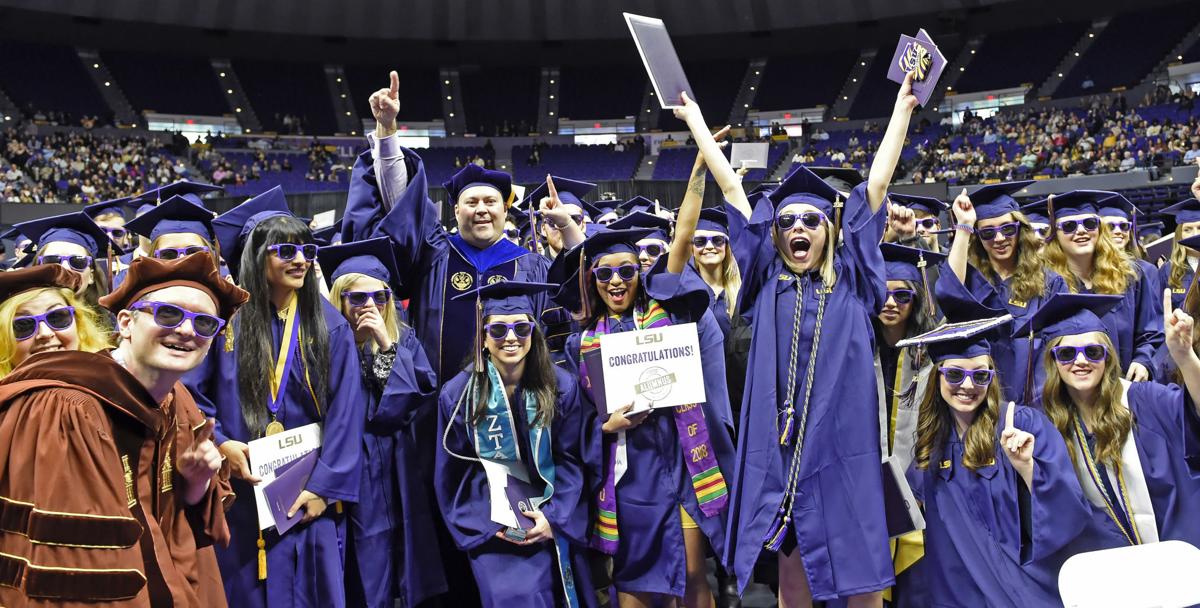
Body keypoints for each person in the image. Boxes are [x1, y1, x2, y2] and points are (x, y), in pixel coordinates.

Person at [685, 73, 920, 607]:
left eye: (811, 220)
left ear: (830, 230)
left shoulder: (855, 282)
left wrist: (902, 111)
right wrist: (698, 123)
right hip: (784, 456)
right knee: (794, 583)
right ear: (775, 234)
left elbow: (876, 187)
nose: (798, 228)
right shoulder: (766, 277)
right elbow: (731, 190)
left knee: (861, 576)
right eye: (787, 220)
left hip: (842, 452)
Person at [0, 253, 246, 607]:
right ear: (127, 323)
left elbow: (179, 524)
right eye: (168, 313)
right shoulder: (68, 409)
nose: (187, 330)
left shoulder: (178, 398)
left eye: (205, 323)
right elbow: (80, 561)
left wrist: (197, 481)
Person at [186, 186, 365, 607]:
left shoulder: (329, 326)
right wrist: (221, 442)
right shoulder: (225, 323)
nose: (301, 259)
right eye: (286, 250)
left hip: (305, 490)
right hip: (242, 489)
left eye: (307, 250)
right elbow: (191, 392)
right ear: (255, 254)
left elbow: (346, 414)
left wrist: (325, 487)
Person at [553, 226, 734, 608]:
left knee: (692, 572)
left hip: (684, 467)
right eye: (604, 273)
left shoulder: (672, 321)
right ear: (592, 280)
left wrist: (701, 168)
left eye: (627, 271)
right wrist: (605, 426)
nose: (616, 281)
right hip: (627, 478)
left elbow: (683, 244)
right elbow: (574, 421)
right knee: (635, 580)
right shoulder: (579, 343)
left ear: (641, 276)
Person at [344, 70, 555, 386]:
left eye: (490, 202)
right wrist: (387, 131)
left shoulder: (533, 267)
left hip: (512, 413)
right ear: (456, 211)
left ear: (505, 209)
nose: (481, 209)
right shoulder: (435, 253)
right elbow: (404, 205)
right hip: (435, 409)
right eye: (471, 203)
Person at [905, 312, 1095, 606]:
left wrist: (1027, 467)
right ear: (937, 377)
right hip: (956, 592)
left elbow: (1069, 510)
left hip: (1019, 586)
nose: (968, 386)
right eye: (955, 374)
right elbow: (911, 512)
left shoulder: (1020, 424)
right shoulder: (933, 441)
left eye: (980, 375)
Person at [435, 280, 598, 607]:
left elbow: (572, 459)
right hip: (490, 522)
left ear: (534, 332)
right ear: (483, 337)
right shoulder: (458, 395)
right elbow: (452, 475)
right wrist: (486, 521)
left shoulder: (560, 387)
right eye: (498, 330)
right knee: (515, 595)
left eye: (521, 328)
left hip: (552, 510)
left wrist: (554, 517)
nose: (510, 338)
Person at [320, 237, 447, 608]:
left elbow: (413, 400)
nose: (370, 306)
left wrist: (385, 343)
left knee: (405, 559)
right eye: (357, 298)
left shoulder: (402, 339)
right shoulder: (324, 344)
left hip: (399, 466)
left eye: (380, 297)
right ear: (339, 300)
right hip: (352, 468)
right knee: (361, 566)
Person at [1031, 292, 1200, 552]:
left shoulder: (1143, 400)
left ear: (1107, 357)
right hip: (1109, 569)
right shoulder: (1048, 422)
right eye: (1066, 353)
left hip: (1176, 557)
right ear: (1053, 362)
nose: (1080, 361)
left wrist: (1185, 357)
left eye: (1093, 351)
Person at [944, 183, 1067, 403]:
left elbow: (1060, 344)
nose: (999, 238)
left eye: (1008, 229)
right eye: (988, 233)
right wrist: (964, 225)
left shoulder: (1050, 282)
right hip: (977, 397)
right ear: (977, 237)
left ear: (1020, 229)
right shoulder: (970, 280)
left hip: (1037, 399)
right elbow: (950, 291)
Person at [872, 243, 944, 607]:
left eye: (902, 295)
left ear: (916, 301)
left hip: (916, 480)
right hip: (866, 483)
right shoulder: (857, 348)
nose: (891, 303)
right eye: (883, 293)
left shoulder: (929, 355)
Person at [1041, 190, 1162, 382]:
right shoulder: (1044, 283)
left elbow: (1151, 330)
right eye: (1069, 226)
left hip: (1125, 389)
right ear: (1055, 235)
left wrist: (1143, 359)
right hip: (1069, 395)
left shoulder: (1130, 275)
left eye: (1089, 223)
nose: (1081, 230)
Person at [0, 264, 109, 378]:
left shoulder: (110, 377)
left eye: (57, 317)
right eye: (23, 325)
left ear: (78, 322)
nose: (45, 333)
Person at [12, 211, 122, 321]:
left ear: (91, 276)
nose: (65, 268)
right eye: (52, 260)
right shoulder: (18, 322)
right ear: (37, 268)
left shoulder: (112, 327)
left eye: (77, 261)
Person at [123, 195, 227, 288]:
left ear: (210, 254)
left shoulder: (230, 296)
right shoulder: (139, 302)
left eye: (194, 252)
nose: (182, 261)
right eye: (168, 254)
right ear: (153, 259)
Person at [1158, 197, 1200, 311]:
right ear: (1179, 235)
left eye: (1199, 228)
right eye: (1187, 229)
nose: (1195, 234)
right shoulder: (1168, 270)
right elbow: (1160, 312)